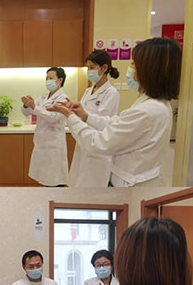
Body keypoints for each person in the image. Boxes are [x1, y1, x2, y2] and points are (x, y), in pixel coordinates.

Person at [48, 38, 182, 187]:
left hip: (131, 183)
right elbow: (116, 122)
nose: (130, 68)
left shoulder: (146, 111)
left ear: (148, 69)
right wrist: (85, 116)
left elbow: (99, 142)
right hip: (127, 175)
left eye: (133, 63)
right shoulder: (153, 104)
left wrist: (70, 116)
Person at [69, 51, 120, 187]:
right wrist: (71, 110)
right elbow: (82, 113)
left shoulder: (111, 93)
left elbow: (102, 122)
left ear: (104, 68)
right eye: (88, 68)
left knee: (93, 187)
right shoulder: (88, 91)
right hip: (84, 142)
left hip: (98, 145)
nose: (89, 71)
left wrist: (83, 115)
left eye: (92, 67)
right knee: (78, 183)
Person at [21, 67, 69, 186]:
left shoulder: (63, 99)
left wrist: (34, 107)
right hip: (42, 143)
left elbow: (53, 117)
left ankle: (57, 197)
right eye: (47, 78)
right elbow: (27, 113)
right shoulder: (43, 97)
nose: (48, 81)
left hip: (54, 144)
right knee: (45, 178)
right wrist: (27, 105)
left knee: (55, 180)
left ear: (60, 80)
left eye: (51, 78)